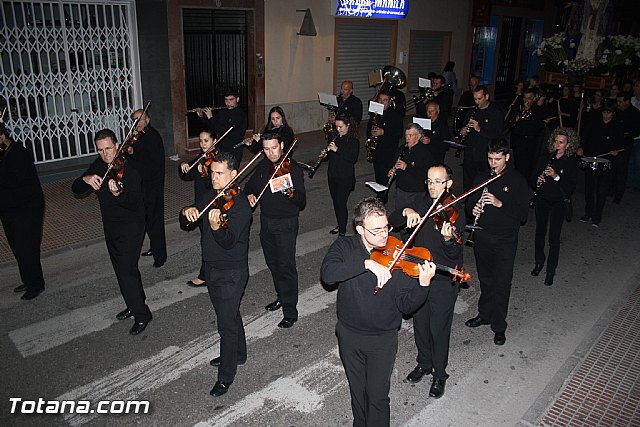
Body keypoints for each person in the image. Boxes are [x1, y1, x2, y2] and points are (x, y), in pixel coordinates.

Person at [320, 197, 436, 427]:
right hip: (349, 335)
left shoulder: (397, 252)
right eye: (376, 231)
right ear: (360, 229)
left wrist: (423, 285)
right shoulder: (345, 247)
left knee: (377, 397)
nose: (384, 236)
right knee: (358, 394)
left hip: (382, 340)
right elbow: (328, 274)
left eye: (386, 228)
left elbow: (406, 306)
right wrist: (366, 263)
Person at [389, 163, 465, 399]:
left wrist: (448, 241)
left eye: (438, 182)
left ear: (449, 183)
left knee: (438, 329)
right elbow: (392, 219)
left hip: (442, 279)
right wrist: (405, 212)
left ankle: (440, 374)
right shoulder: (421, 204)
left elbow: (455, 255)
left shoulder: (455, 211)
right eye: (429, 181)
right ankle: (424, 363)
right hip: (419, 276)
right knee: (420, 324)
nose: (432, 186)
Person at [179, 152, 251, 397]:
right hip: (211, 268)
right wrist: (186, 212)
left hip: (232, 271)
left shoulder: (240, 206)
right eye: (212, 172)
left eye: (220, 173)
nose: (214, 178)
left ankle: (226, 376)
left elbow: (229, 242)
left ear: (233, 175)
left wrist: (217, 228)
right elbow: (187, 220)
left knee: (225, 324)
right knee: (228, 315)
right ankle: (239, 354)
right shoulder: (210, 197)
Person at [72, 129, 152, 335]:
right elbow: (76, 189)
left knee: (127, 269)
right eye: (100, 150)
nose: (106, 154)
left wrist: (118, 193)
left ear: (117, 145)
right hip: (111, 226)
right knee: (121, 269)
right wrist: (86, 179)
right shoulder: (99, 165)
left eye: (108, 148)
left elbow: (134, 203)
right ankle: (134, 303)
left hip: (132, 226)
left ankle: (142, 315)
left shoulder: (130, 168)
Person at [465, 138, 528, 346]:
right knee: (486, 280)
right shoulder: (482, 177)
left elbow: (522, 215)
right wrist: (473, 209)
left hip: (504, 240)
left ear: (507, 158)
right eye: (490, 158)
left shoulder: (517, 180)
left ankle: (499, 326)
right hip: (482, 237)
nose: (493, 163)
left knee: (501, 283)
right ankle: (485, 314)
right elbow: (469, 203)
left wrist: (500, 203)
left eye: (497, 159)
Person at [244, 133, 306, 328]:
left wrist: (291, 193)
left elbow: (301, 202)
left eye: (274, 148)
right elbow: (249, 188)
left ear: (281, 145)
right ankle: (281, 296)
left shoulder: (292, 169)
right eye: (266, 149)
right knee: (273, 263)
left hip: (286, 223)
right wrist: (250, 196)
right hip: (267, 222)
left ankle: (290, 310)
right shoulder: (264, 166)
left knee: (286, 266)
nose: (271, 153)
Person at [0, 124, 46, 300]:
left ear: (2, 137)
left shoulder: (19, 153)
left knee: (28, 248)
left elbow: (15, 182)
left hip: (27, 209)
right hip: (9, 210)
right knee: (17, 248)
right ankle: (27, 279)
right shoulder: (3, 153)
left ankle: (36, 284)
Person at [530, 128, 580, 286]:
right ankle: (539, 262)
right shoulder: (545, 157)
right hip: (543, 199)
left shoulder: (570, 162)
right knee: (540, 233)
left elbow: (570, 187)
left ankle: (551, 270)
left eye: (561, 142)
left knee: (554, 237)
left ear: (568, 145)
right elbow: (532, 177)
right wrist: (537, 180)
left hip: (559, 202)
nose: (557, 145)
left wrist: (556, 176)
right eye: (556, 141)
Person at [127, 109, 167, 268]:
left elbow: (150, 164)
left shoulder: (152, 137)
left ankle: (160, 256)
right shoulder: (137, 136)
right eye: (134, 119)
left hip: (153, 186)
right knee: (147, 221)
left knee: (155, 221)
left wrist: (132, 152)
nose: (137, 122)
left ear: (148, 120)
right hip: (142, 186)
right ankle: (154, 247)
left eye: (140, 119)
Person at [178, 129, 217, 287]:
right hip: (200, 205)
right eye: (200, 141)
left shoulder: (218, 159)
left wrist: (205, 174)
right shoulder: (202, 157)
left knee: (209, 241)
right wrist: (183, 166)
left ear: (214, 141)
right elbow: (187, 175)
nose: (202, 144)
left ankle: (206, 275)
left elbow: (214, 186)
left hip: (212, 205)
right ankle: (209, 273)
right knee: (207, 241)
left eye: (206, 141)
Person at [578, 102, 624, 227]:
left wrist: (616, 152)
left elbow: (621, 145)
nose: (606, 114)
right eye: (604, 112)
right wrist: (580, 148)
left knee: (601, 191)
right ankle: (588, 212)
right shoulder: (593, 124)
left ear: (613, 114)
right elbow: (584, 138)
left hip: (606, 163)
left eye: (609, 112)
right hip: (591, 159)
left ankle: (597, 217)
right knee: (589, 190)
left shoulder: (617, 128)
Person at [460, 85, 504, 192]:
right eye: (475, 99)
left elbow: (497, 135)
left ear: (487, 96)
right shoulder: (472, 111)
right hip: (470, 153)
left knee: (483, 181)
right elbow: (464, 126)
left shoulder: (496, 112)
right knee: (468, 181)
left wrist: (479, 129)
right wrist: (463, 131)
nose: (477, 102)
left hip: (484, 154)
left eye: (479, 99)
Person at [325, 113, 359, 236]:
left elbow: (352, 158)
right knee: (336, 202)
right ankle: (340, 224)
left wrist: (337, 150)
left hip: (345, 177)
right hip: (333, 175)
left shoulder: (353, 141)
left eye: (341, 127)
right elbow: (330, 155)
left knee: (341, 203)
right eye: (337, 127)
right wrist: (325, 155)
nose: (338, 129)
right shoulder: (334, 137)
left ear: (348, 125)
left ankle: (343, 232)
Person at [197, 88, 248, 165]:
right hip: (220, 147)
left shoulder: (240, 114)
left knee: (230, 172)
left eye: (231, 99)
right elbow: (211, 127)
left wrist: (211, 117)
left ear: (237, 99)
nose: (228, 102)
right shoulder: (223, 112)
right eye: (226, 100)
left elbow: (224, 130)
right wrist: (202, 116)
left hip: (233, 148)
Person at [389, 123, 433, 210]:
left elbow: (425, 173)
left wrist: (407, 167)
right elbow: (394, 163)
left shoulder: (424, 152)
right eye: (406, 135)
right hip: (401, 190)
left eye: (410, 135)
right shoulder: (402, 149)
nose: (407, 138)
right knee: (400, 216)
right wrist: (392, 170)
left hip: (415, 192)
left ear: (418, 136)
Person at [509, 88, 546, 183]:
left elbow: (537, 127)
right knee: (517, 164)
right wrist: (516, 118)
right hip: (518, 141)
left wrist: (526, 116)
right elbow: (510, 124)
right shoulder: (518, 108)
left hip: (530, 142)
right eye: (525, 98)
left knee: (528, 166)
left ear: (534, 99)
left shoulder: (537, 110)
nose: (526, 101)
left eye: (529, 98)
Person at [367, 91, 403, 187]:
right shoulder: (375, 114)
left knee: (385, 175)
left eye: (385, 100)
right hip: (376, 149)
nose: (382, 102)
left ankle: (383, 195)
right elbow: (369, 127)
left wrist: (384, 132)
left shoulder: (395, 115)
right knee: (378, 173)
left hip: (388, 151)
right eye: (380, 100)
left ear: (390, 101)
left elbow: (399, 133)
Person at [612, 92, 640, 203]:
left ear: (627, 102)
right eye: (617, 101)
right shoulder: (617, 112)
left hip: (626, 145)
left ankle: (618, 194)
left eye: (620, 101)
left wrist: (625, 134)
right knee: (612, 167)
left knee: (621, 170)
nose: (618, 104)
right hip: (614, 144)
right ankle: (611, 189)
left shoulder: (635, 113)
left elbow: (635, 130)